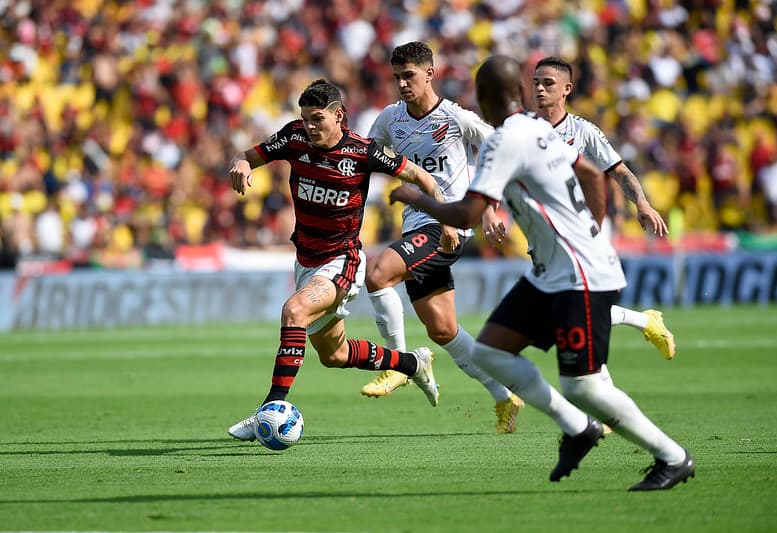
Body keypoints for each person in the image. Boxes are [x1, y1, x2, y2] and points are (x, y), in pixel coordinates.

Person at [389, 55, 695, 491]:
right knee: (491, 352)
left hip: (577, 272)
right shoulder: (537, 128)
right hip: (553, 270)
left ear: (484, 97)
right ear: (520, 90)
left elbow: (467, 211)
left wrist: (414, 197)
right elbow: (590, 174)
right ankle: (578, 429)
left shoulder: (505, 139)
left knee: (584, 387)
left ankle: (672, 456)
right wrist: (594, 227)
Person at [226, 79, 442, 442]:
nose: (310, 127)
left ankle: (271, 407)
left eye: (318, 119)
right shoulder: (293, 138)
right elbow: (246, 155)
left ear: (339, 115)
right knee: (336, 355)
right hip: (306, 263)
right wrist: (242, 165)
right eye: (306, 119)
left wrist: (443, 215)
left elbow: (420, 176)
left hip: (342, 261)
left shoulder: (364, 151)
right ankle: (411, 363)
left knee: (293, 312)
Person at [359, 41, 525, 433]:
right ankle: (504, 396)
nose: (402, 84)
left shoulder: (455, 118)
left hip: (448, 226)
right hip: (416, 226)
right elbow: (364, 157)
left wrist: (487, 207)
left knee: (378, 273)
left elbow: (498, 151)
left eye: (409, 76)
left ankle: (398, 364)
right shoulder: (389, 120)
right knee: (444, 330)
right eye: (397, 77)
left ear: (430, 73)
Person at [521, 56, 676, 360]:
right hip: (540, 229)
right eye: (535, 82)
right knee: (562, 309)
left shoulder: (583, 132)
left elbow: (620, 171)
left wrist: (642, 203)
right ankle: (644, 321)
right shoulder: (523, 129)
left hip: (577, 229)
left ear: (567, 89)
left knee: (570, 310)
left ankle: (590, 391)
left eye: (547, 83)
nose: (539, 89)